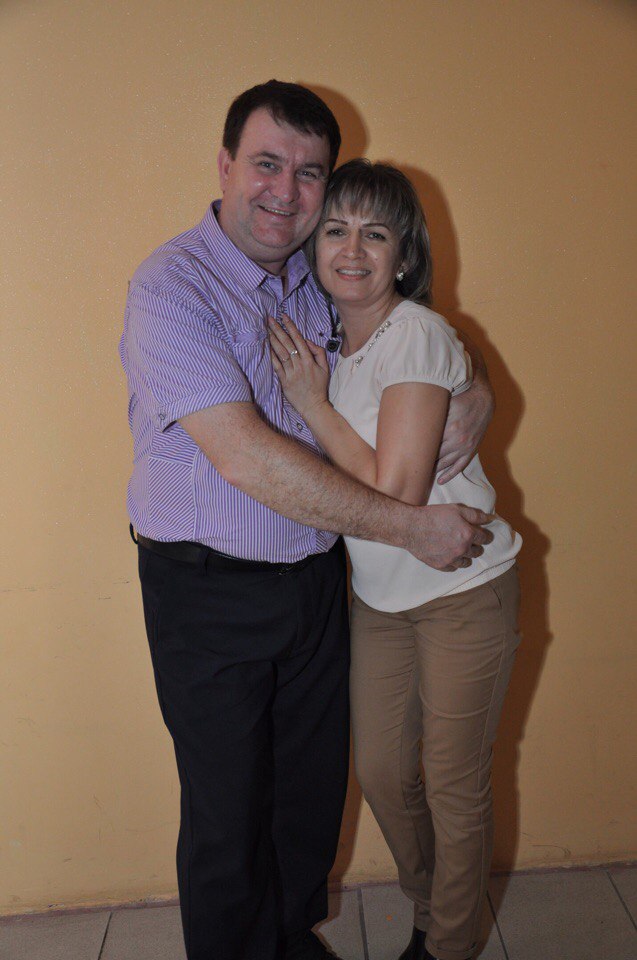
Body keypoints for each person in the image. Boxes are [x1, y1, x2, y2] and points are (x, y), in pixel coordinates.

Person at [120, 82, 495, 960]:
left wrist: (476, 385)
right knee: (227, 814)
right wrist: (410, 527)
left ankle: (290, 940)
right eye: (266, 164)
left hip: (321, 583)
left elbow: (414, 327)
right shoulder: (172, 286)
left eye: (309, 173)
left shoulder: (317, 273)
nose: (285, 192)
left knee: (305, 801)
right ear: (224, 165)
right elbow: (243, 456)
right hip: (208, 592)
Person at [268, 159, 522, 960]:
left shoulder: (412, 332)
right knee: (380, 772)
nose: (351, 249)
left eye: (374, 234)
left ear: (404, 255)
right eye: (335, 229)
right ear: (313, 246)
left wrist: (311, 405)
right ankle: (431, 907)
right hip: (378, 600)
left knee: (452, 782)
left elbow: (397, 493)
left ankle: (447, 945)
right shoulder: (336, 345)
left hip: (463, 589)